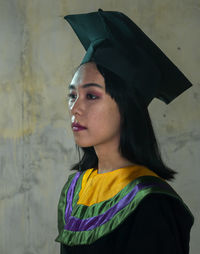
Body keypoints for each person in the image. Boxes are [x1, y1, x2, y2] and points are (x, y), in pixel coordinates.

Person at [55, 9, 194, 254]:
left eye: (91, 95)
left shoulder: (152, 203)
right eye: (72, 95)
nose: (75, 108)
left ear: (126, 107)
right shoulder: (75, 190)